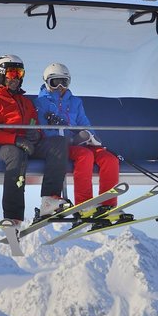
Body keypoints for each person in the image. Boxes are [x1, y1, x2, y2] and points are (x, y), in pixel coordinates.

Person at [0, 55, 69, 229]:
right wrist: (15, 140)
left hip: (26, 144)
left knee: (58, 143)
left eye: (19, 72)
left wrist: (36, 134)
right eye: (12, 73)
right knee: (15, 153)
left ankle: (50, 199)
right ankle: (13, 217)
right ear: (0, 74)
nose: (16, 78)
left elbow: (34, 124)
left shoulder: (25, 103)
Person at [35, 63, 120, 209]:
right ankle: (84, 204)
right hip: (61, 146)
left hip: (81, 143)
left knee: (110, 160)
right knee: (85, 156)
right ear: (47, 83)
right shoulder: (41, 103)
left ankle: (108, 205)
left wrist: (90, 137)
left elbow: (85, 124)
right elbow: (45, 131)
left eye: (64, 82)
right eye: (55, 82)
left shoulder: (75, 102)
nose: (60, 87)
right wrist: (72, 139)